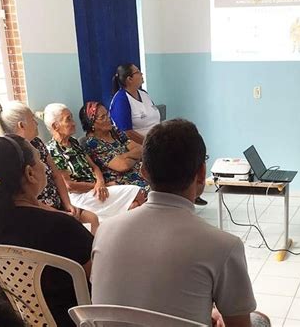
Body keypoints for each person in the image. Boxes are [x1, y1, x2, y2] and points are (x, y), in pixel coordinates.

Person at [91, 119, 270, 327]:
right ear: (202, 174)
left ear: (143, 172)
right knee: (259, 320)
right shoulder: (223, 246)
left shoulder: (105, 230)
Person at [0, 134, 93, 326]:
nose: (45, 167)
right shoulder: (62, 227)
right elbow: (100, 278)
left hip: (18, 321)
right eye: (40, 159)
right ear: (30, 173)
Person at [0, 101, 99, 233]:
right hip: (39, 211)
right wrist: (60, 214)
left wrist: (68, 204)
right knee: (74, 230)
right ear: (22, 125)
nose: (37, 123)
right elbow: (27, 199)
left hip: (60, 204)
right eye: (33, 119)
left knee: (92, 218)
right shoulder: (13, 156)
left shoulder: (38, 143)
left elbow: (56, 174)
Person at [110, 63, 208, 205]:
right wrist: (149, 142)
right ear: (129, 79)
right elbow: (126, 132)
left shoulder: (143, 94)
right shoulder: (121, 100)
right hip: (138, 144)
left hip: (156, 139)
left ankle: (190, 190)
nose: (142, 74)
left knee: (186, 148)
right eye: (138, 72)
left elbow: (155, 117)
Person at [43, 103, 145, 220]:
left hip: (97, 187)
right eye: (68, 119)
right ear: (55, 126)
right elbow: (69, 185)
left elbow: (94, 166)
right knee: (137, 192)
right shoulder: (53, 150)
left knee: (135, 204)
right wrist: (100, 185)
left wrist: (100, 182)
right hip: (81, 195)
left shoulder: (74, 142)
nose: (73, 122)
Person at [79, 101, 149, 190]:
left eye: (107, 114)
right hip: (122, 182)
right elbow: (123, 165)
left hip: (139, 172)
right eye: (102, 117)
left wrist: (124, 156)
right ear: (92, 123)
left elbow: (140, 149)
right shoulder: (93, 143)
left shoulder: (114, 131)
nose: (108, 119)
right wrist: (133, 156)